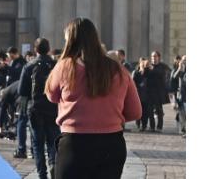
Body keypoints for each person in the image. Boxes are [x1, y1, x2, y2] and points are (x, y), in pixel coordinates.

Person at [46, 18, 142, 179]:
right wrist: (107, 116)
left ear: (70, 41)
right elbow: (135, 112)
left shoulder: (64, 67)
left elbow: (51, 95)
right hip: (111, 145)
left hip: (74, 144)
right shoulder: (118, 70)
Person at [20, 38, 60, 179]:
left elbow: (22, 91)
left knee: (37, 144)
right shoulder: (56, 65)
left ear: (35, 50)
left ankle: (42, 174)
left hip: (35, 108)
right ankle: (53, 163)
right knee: (53, 141)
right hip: (53, 107)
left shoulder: (29, 66)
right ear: (48, 49)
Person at [144, 51, 171, 132]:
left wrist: (153, 70)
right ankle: (152, 127)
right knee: (150, 110)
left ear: (159, 57)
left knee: (159, 110)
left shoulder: (162, 66)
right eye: (152, 56)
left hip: (159, 92)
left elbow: (162, 74)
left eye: (155, 56)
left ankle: (159, 127)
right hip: (149, 92)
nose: (153, 58)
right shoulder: (149, 66)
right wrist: (144, 68)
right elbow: (145, 76)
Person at [170, 55, 186, 136]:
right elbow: (174, 77)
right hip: (181, 95)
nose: (185, 62)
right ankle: (183, 129)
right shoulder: (179, 69)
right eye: (184, 60)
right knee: (182, 113)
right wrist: (180, 69)